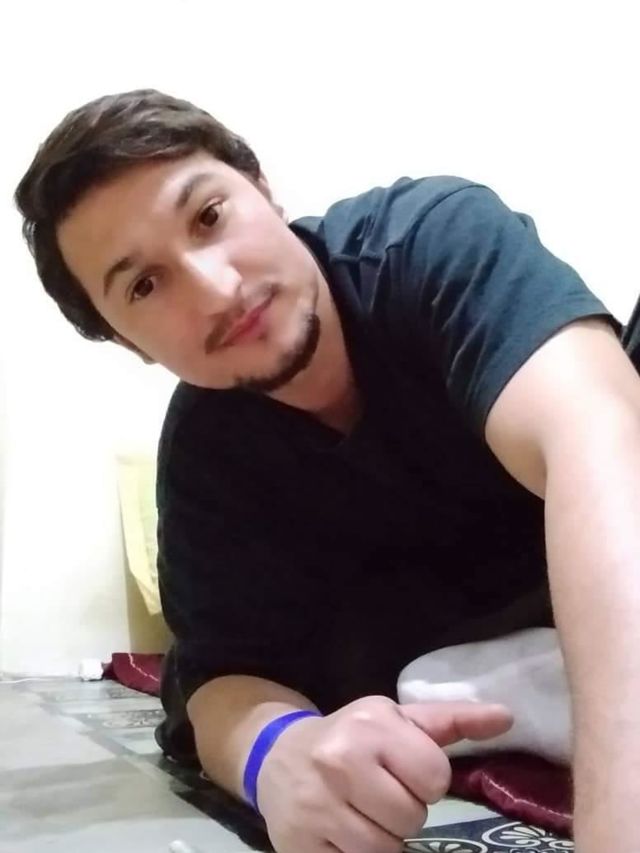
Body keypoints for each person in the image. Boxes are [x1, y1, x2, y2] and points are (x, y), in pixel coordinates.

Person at [14, 88, 640, 853]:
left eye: (209, 216)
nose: (217, 288)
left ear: (263, 189)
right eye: (145, 285)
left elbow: (596, 436)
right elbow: (217, 676)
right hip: (443, 645)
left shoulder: (428, 241)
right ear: (131, 343)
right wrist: (277, 758)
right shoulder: (209, 456)